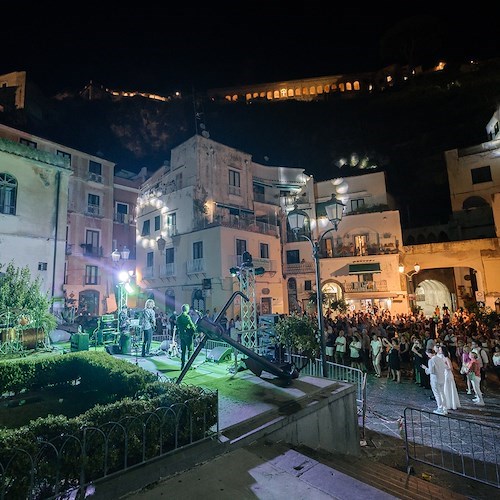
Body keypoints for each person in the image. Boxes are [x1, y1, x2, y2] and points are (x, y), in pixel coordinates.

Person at [422, 348, 447, 415]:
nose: (427, 356)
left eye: (428, 354)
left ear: (430, 353)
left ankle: (440, 408)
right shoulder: (440, 358)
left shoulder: (431, 360)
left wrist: (425, 368)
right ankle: (445, 408)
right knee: (442, 393)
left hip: (435, 379)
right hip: (442, 377)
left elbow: (431, 371)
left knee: (437, 394)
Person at [439, 345, 461, 410]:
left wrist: (445, 367)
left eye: (440, 350)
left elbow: (451, 368)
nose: (439, 351)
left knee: (448, 387)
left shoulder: (446, 358)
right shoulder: (441, 358)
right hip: (443, 373)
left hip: (447, 374)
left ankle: (451, 403)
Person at [176, 303, 197, 369]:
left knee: (183, 351)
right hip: (188, 335)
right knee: (190, 350)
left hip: (181, 335)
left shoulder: (178, 317)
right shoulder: (187, 316)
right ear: (187, 309)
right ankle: (189, 366)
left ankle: (182, 366)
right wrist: (195, 331)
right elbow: (191, 325)